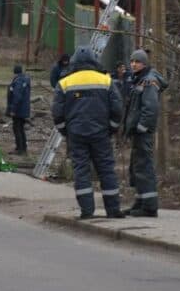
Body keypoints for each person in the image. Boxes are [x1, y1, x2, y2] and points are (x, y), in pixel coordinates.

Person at [51, 46, 127, 220]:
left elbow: (57, 112)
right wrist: (111, 128)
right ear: (94, 60)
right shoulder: (106, 80)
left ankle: (87, 210)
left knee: (81, 170)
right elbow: (117, 108)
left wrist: (66, 131)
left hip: (76, 134)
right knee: (106, 169)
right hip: (101, 133)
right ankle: (113, 209)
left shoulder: (64, 83)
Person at [124, 48, 168, 217]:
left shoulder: (149, 82)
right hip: (137, 132)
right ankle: (140, 202)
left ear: (144, 63)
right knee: (137, 168)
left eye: (137, 61)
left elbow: (150, 108)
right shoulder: (139, 80)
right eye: (132, 61)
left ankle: (149, 207)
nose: (134, 64)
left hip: (143, 132)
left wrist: (142, 127)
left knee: (144, 167)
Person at [6, 65, 31, 154]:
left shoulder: (18, 81)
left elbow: (17, 96)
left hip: (18, 110)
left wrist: (13, 109)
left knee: (17, 128)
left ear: (15, 73)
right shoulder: (25, 79)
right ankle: (23, 147)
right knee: (20, 128)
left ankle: (20, 149)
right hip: (23, 109)